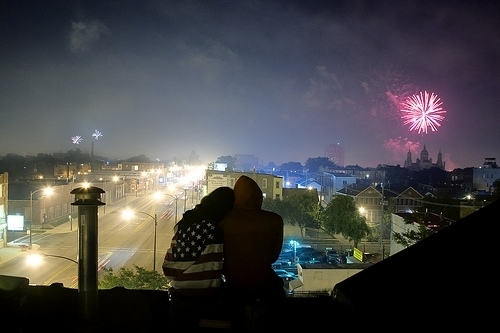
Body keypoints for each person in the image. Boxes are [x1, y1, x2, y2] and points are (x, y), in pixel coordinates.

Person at [162, 186, 235, 328]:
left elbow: (172, 259)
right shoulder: (216, 230)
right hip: (206, 295)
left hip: (179, 292)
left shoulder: (185, 222)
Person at [220, 175, 285, 330]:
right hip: (265, 287)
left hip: (233, 287)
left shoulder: (224, 220)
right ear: (258, 197)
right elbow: (273, 256)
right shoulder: (275, 220)